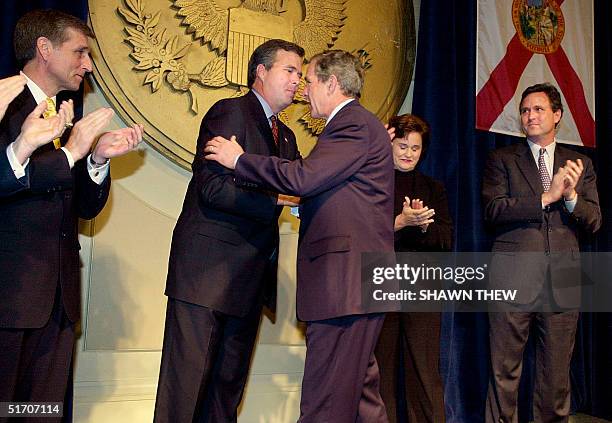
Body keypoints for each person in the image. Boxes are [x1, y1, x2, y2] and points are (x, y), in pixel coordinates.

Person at [205, 49, 394, 423]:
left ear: (332, 83)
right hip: (354, 289)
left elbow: (304, 177)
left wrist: (239, 160)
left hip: (344, 288)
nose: (303, 90)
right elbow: (340, 194)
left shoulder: (352, 124)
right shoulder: (356, 126)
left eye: (308, 80)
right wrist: (302, 207)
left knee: (325, 402)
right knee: (359, 399)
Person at [0, 9, 143, 416]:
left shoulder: (63, 115)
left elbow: (83, 207)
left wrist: (95, 159)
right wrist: (71, 154)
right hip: (10, 296)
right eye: (79, 51)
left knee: (40, 411)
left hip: (58, 299)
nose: (89, 64)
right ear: (44, 49)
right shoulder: (5, 105)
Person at [153, 39, 304, 423]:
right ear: (262, 72)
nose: (297, 81)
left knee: (225, 396)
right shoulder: (230, 112)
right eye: (290, 71)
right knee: (184, 396)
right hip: (207, 276)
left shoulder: (286, 137)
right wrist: (276, 200)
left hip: (249, 281)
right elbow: (213, 187)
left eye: (301, 74)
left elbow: (305, 187)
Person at [482, 83, 601, 423]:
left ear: (557, 115)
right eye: (524, 110)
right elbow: (493, 210)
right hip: (513, 274)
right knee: (503, 369)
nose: (530, 116)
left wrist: (570, 197)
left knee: (555, 372)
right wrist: (545, 197)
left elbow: (594, 220)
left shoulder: (581, 164)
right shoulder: (501, 160)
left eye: (538, 109)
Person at [375, 114, 452, 423]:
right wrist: (402, 222)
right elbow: (364, 232)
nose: (408, 153)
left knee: (424, 368)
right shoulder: (372, 183)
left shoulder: (433, 188)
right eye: (402, 145)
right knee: (380, 368)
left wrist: (420, 226)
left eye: (415, 148)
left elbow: (446, 240)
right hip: (380, 280)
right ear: (389, 144)